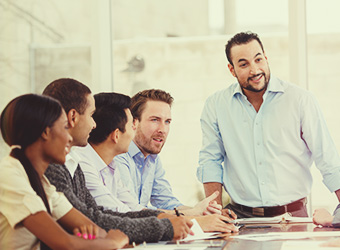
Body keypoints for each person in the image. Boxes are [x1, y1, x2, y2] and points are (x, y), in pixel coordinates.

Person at [197, 31, 340, 218]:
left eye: (258, 60)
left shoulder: (300, 100)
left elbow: (327, 158)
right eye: (244, 64)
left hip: (293, 216)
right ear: (232, 70)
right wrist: (215, 214)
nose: (254, 70)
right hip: (240, 217)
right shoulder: (216, 105)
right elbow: (210, 160)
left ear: (266, 58)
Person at [42, 78, 193, 244]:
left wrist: (163, 218)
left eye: (167, 122)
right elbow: (92, 219)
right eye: (91, 116)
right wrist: (166, 226)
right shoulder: (59, 166)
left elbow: (101, 212)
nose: (94, 124)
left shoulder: (73, 164)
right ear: (72, 117)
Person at [77, 92, 238, 233]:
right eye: (155, 120)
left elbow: (144, 207)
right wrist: (193, 221)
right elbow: (125, 214)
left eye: (168, 121)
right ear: (132, 124)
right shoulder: (110, 159)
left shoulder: (122, 163)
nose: (163, 129)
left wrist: (197, 213)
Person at [0, 94, 128, 250]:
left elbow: (96, 230)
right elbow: (67, 244)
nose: (69, 137)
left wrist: (102, 240)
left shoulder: (41, 182)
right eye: (65, 127)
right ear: (46, 132)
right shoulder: (9, 175)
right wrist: (112, 242)